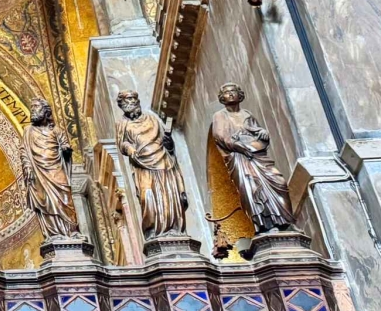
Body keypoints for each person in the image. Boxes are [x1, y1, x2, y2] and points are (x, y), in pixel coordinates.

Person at [210, 85, 295, 233]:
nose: (230, 94)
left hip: (257, 156)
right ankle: (265, 225)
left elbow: (256, 131)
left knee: (279, 182)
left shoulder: (247, 114)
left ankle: (285, 221)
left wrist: (262, 132)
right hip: (240, 158)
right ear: (222, 98)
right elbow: (220, 137)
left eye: (233, 91)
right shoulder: (220, 116)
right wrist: (240, 146)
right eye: (226, 92)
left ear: (240, 95)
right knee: (251, 188)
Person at [116, 92, 189, 239]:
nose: (132, 102)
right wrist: (129, 149)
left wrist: (168, 142)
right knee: (147, 197)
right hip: (142, 165)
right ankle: (154, 231)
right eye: (128, 99)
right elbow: (122, 143)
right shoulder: (122, 123)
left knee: (170, 194)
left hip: (163, 162)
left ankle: (175, 230)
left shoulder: (152, 117)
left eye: (134, 99)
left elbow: (166, 140)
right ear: (122, 104)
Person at [20, 99, 80, 239]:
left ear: (46, 112)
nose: (33, 110)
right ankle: (54, 233)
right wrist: (28, 167)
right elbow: (24, 151)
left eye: (36, 107)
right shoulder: (28, 131)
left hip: (56, 169)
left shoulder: (56, 130)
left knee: (65, 199)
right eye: (32, 107)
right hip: (38, 171)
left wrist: (66, 150)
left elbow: (65, 145)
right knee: (45, 201)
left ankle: (72, 231)